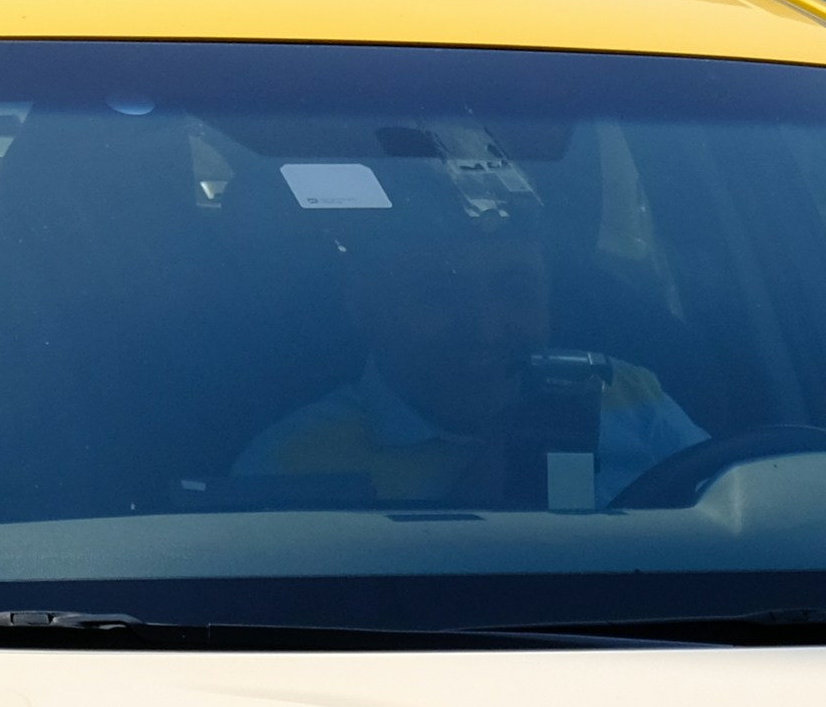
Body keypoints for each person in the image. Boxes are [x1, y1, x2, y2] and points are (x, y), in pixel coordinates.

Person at [231, 169, 705, 512]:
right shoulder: (293, 463)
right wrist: (468, 514)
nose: (485, 328)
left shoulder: (627, 394)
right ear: (364, 308)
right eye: (438, 294)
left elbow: (738, 505)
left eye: (516, 291)